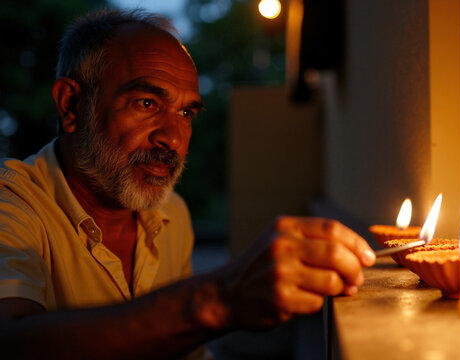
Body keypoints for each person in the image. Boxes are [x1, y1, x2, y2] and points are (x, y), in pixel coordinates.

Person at [0, 9, 375, 359]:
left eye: (186, 113)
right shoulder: (13, 204)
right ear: (70, 105)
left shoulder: (170, 214)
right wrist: (218, 299)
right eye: (146, 103)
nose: (174, 139)